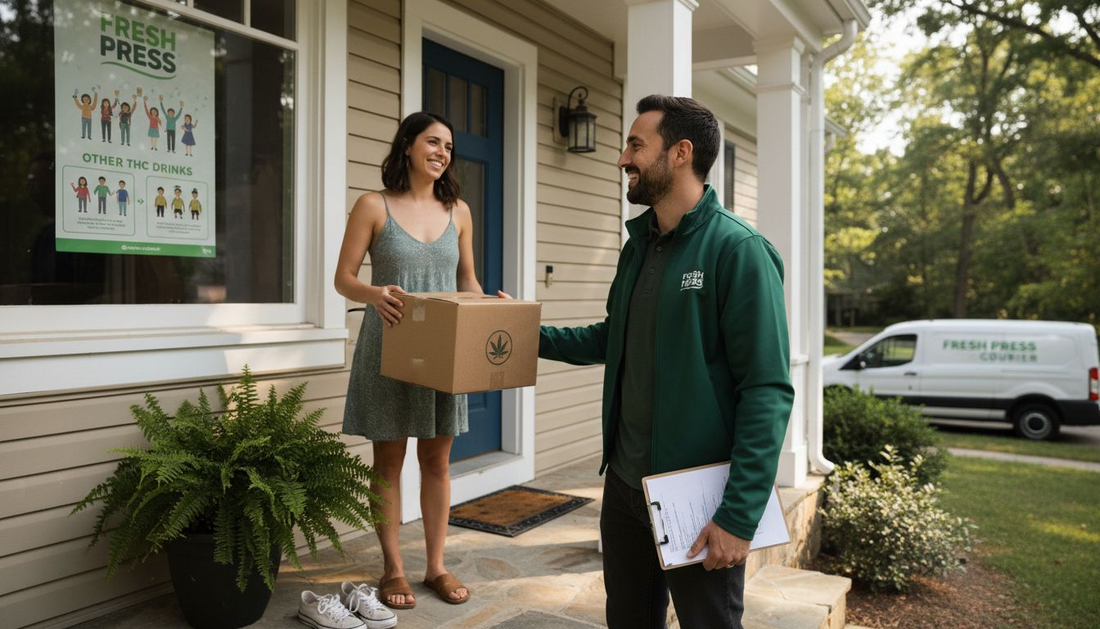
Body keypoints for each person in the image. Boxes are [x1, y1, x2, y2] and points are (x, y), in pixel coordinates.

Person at [536, 95, 794, 629]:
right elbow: (613, 338)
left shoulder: (738, 251)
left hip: (697, 499)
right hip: (626, 490)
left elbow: (766, 390)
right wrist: (521, 334)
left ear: (679, 153)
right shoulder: (639, 246)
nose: (622, 159)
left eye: (635, 144)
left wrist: (739, 515)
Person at [335, 111, 498, 611]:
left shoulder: (461, 211)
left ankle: (435, 567)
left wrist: (490, 307)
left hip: (444, 351)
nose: (442, 153)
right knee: (388, 462)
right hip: (387, 347)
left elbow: (467, 280)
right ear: (406, 145)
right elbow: (343, 279)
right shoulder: (372, 205)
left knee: (437, 461)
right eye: (433, 142)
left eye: (449, 147)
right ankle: (393, 568)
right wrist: (373, 291)